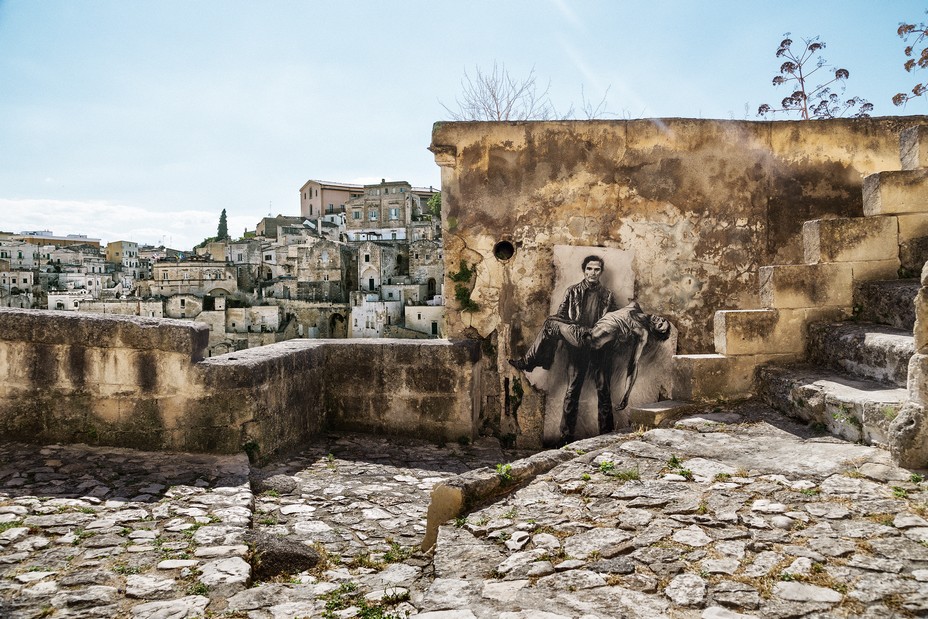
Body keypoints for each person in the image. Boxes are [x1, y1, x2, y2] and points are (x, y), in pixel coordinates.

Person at [508, 255, 619, 444]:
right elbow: (561, 316)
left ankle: (606, 437)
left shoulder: (607, 295)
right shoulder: (573, 291)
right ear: (584, 270)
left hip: (598, 346)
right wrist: (570, 331)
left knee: (604, 391)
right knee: (572, 392)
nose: (592, 273)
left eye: (596, 269)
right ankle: (565, 438)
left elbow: (612, 322)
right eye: (589, 269)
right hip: (577, 345)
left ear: (601, 272)